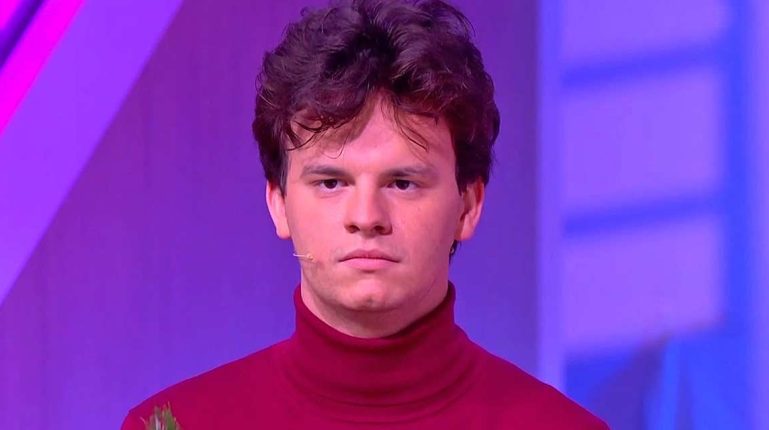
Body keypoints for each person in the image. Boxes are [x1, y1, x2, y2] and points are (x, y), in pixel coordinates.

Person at [122, 0, 608, 428]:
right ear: (278, 203)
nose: (366, 216)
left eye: (402, 183)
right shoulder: (179, 423)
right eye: (331, 183)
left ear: (468, 204)